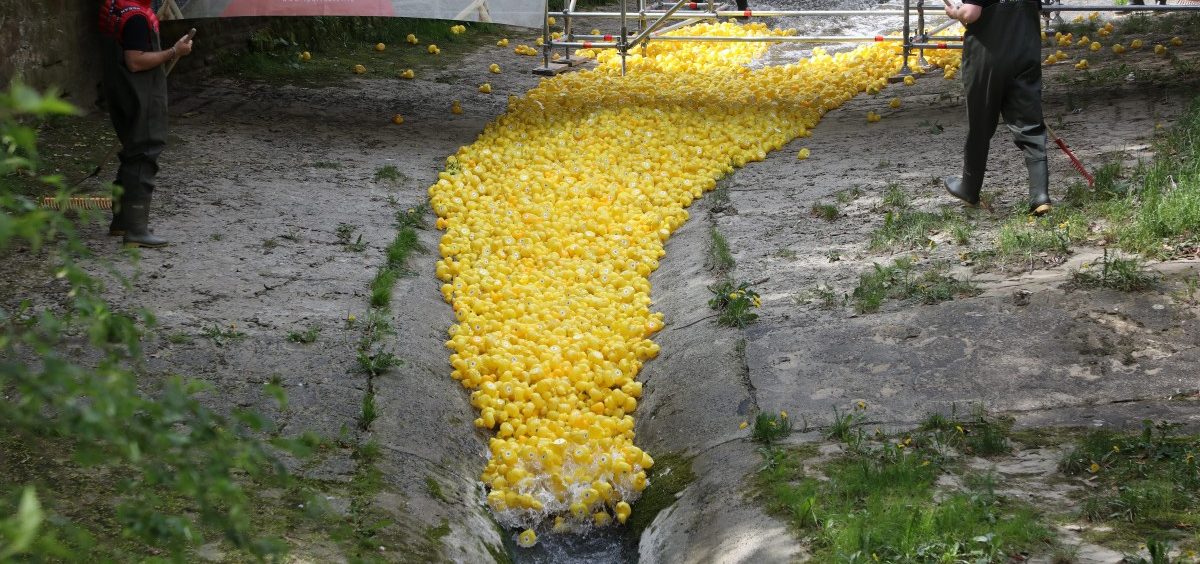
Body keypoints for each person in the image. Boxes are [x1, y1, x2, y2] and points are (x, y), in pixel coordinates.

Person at [943, 0, 1051, 216]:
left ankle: (969, 188)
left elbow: (971, 13)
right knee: (1029, 125)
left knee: (980, 125)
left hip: (987, 58)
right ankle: (1039, 195)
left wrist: (956, 13)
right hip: (1025, 53)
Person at [99, 0, 193, 248]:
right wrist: (175, 52)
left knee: (132, 151)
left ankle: (122, 221)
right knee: (144, 151)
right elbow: (136, 61)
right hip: (139, 94)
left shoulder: (115, 6)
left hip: (121, 91)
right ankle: (137, 230)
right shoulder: (136, 19)